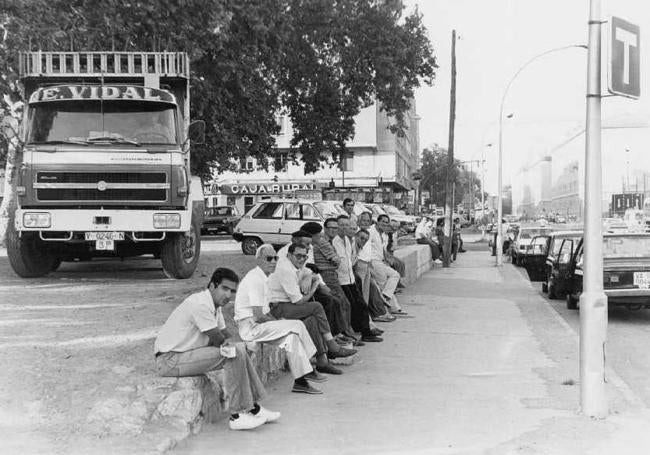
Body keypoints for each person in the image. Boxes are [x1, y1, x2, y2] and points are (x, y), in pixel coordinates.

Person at [154, 268, 279, 431]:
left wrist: (244, 344)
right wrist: (240, 346)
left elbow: (225, 333)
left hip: (185, 355)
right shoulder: (200, 304)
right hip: (170, 360)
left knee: (238, 348)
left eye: (232, 291)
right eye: (224, 289)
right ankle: (237, 416)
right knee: (232, 353)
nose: (228, 295)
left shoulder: (215, 305)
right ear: (212, 286)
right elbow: (218, 339)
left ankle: (253, 408)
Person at [235, 244, 327, 395]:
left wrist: (279, 323)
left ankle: (300, 382)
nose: (273, 262)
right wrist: (278, 323)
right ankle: (312, 360)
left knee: (292, 338)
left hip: (258, 326)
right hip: (250, 328)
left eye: (275, 258)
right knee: (296, 324)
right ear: (258, 260)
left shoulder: (264, 277)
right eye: (268, 259)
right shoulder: (255, 279)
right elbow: (258, 315)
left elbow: (264, 312)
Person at [267, 243, 357, 375]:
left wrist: (310, 277)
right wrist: (314, 286)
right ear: (289, 255)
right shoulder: (285, 269)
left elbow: (311, 272)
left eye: (305, 256)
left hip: (287, 306)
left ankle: (322, 362)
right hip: (277, 308)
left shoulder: (295, 265)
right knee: (317, 306)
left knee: (312, 320)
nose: (302, 259)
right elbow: (299, 301)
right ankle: (332, 345)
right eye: (298, 256)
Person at [279, 228, 350, 340]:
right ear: (295, 241)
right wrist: (313, 281)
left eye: (309, 244)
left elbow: (309, 269)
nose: (309, 247)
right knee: (326, 302)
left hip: (308, 285)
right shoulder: (285, 254)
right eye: (306, 244)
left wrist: (317, 281)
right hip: (294, 294)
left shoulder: (306, 250)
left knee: (335, 300)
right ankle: (330, 339)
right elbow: (295, 277)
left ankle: (337, 334)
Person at [332, 215, 383, 342]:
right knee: (350, 306)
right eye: (342, 225)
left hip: (350, 279)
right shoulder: (334, 241)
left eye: (347, 225)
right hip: (341, 280)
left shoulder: (348, 242)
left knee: (361, 304)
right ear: (337, 226)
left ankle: (365, 332)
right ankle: (354, 332)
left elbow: (349, 261)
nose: (345, 228)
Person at [356, 212, 396, 322]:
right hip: (360, 265)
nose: (365, 222)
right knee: (366, 293)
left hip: (368, 264)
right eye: (363, 220)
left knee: (370, 291)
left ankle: (377, 313)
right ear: (359, 221)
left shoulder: (368, 232)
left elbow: (370, 251)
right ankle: (371, 317)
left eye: (368, 221)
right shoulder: (359, 233)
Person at [369, 214, 407, 316]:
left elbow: (382, 249)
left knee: (395, 275)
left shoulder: (383, 234)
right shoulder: (371, 232)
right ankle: (392, 308)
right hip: (373, 261)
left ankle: (387, 298)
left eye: (386, 222)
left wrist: (387, 258)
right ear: (377, 222)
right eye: (383, 222)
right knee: (383, 284)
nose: (385, 224)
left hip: (380, 261)